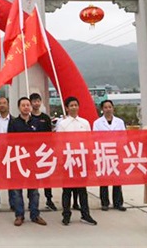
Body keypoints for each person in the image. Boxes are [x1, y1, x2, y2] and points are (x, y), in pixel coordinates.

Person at [56, 96, 97, 226]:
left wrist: (90, 158)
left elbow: (89, 141)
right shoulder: (63, 124)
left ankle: (85, 214)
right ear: (67, 108)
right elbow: (59, 143)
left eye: (76, 105)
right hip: (68, 159)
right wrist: (61, 161)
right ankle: (66, 215)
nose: (74, 107)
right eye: (71, 105)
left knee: (82, 189)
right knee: (67, 190)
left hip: (81, 159)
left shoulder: (84, 123)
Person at [9, 97, 47, 226]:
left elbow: (42, 140)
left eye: (27, 105)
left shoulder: (37, 122)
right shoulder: (14, 123)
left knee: (34, 191)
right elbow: (10, 141)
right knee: (17, 191)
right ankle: (19, 215)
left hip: (33, 161)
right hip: (19, 160)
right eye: (23, 105)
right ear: (19, 107)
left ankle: (35, 215)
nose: (26, 107)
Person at [92, 99, 127, 212]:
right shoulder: (97, 123)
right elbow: (95, 138)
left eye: (110, 107)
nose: (108, 109)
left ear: (113, 108)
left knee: (117, 179)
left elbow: (124, 137)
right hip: (104, 152)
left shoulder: (119, 122)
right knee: (104, 179)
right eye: (105, 107)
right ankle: (105, 202)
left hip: (117, 152)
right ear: (102, 109)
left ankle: (118, 203)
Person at [29, 92, 57, 211]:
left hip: (44, 152)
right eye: (34, 101)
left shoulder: (45, 118)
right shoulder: (28, 118)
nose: (36, 103)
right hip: (31, 152)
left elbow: (50, 135)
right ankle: (32, 201)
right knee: (32, 178)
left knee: (47, 177)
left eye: (38, 101)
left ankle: (49, 199)